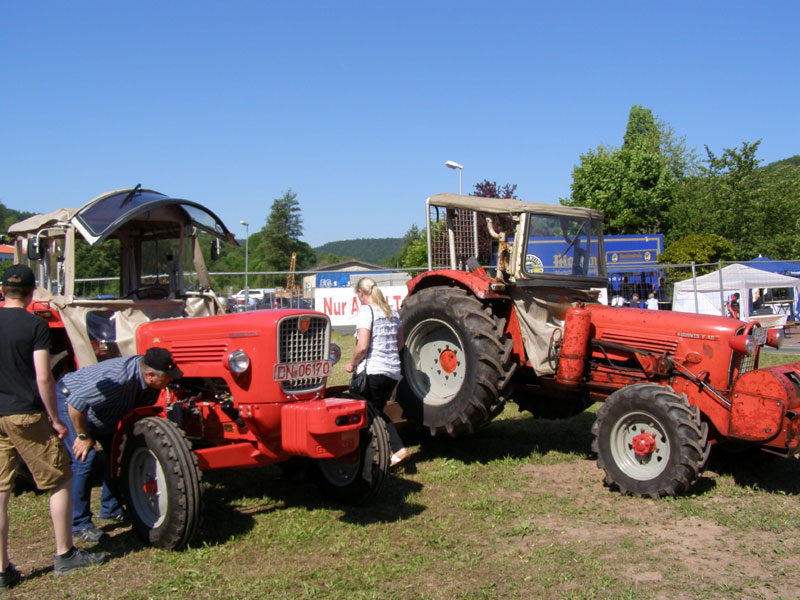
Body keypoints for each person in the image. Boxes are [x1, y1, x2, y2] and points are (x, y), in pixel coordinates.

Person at [0, 265, 107, 584]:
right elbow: (44, 377)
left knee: (1, 489)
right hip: (26, 412)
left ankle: (2, 569)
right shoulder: (35, 326)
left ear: (2, 291)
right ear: (33, 294)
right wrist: (57, 420)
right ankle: (65, 554)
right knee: (60, 478)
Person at [56, 347, 182, 543]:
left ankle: (111, 508)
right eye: (168, 377)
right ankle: (78, 524)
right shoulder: (117, 379)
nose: (171, 380)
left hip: (103, 411)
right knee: (85, 459)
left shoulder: (146, 376)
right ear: (150, 376)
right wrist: (82, 436)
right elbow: (77, 402)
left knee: (119, 452)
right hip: (71, 403)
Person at [344, 278, 408, 467]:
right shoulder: (392, 312)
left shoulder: (366, 311)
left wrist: (351, 363)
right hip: (392, 371)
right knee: (376, 411)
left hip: (373, 370)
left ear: (362, 294)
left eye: (359, 296)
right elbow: (400, 343)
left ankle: (366, 454)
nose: (359, 299)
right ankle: (397, 449)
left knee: (364, 412)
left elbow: (362, 346)